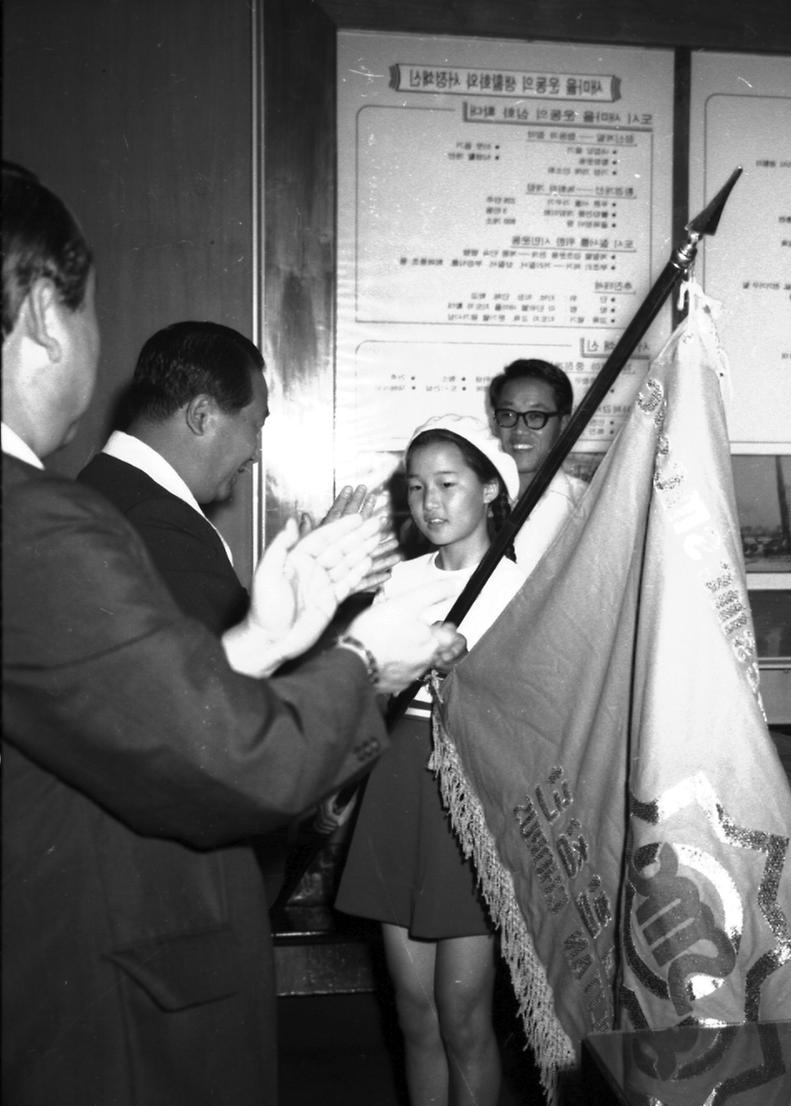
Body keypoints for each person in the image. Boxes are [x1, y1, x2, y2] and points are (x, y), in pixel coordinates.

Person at [1, 160, 464, 1105]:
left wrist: (259, 636)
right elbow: (229, 764)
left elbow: (124, 711)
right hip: (116, 1007)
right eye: (92, 309)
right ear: (49, 315)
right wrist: (370, 657)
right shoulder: (36, 522)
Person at [336, 414, 525, 1106]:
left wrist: (470, 680)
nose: (431, 502)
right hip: (396, 786)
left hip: (469, 792)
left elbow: (536, 710)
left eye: (448, 483)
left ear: (490, 491)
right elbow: (363, 690)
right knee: (414, 1013)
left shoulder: (517, 587)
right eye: (416, 487)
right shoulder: (400, 581)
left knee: (463, 1017)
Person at [78, 320, 397, 635]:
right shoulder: (157, 521)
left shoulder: (103, 488)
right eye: (255, 427)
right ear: (201, 416)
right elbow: (229, 678)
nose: (255, 453)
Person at [488, 357, 588, 569]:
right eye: (507, 414)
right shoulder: (472, 501)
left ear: (563, 423)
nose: (519, 430)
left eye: (535, 416)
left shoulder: (588, 506)